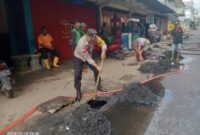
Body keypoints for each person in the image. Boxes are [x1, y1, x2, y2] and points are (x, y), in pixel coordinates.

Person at [74, 28, 107, 101]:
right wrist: (97, 66)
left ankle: (99, 85)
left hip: (89, 54)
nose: (93, 41)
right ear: (87, 36)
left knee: (96, 70)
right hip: (79, 57)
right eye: (91, 39)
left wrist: (103, 51)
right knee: (77, 74)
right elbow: (88, 58)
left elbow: (103, 44)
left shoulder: (95, 38)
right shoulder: (81, 43)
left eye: (94, 39)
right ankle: (78, 91)